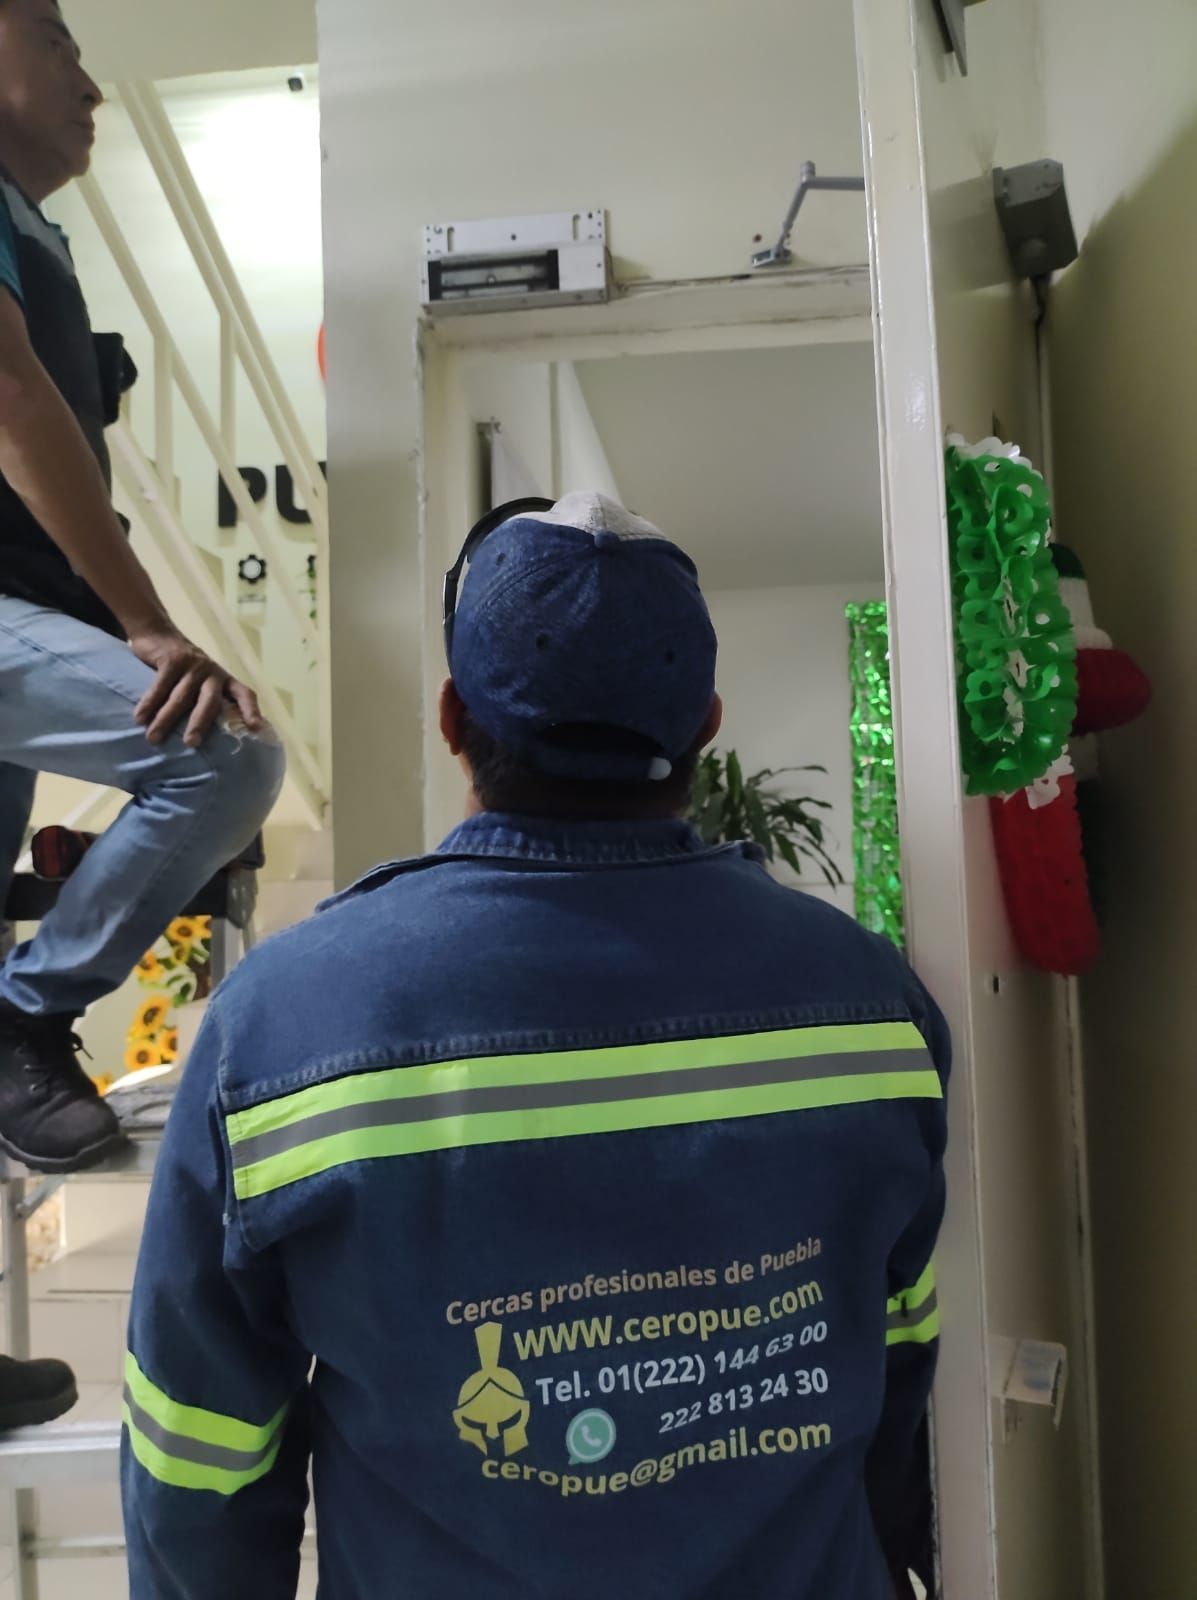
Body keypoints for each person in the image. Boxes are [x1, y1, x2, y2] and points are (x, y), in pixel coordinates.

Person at [122, 492, 947, 1600]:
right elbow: (899, 1363)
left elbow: (199, 1449)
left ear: (454, 719)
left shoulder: (280, 1025)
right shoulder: (872, 1003)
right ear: (704, 727)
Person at [0, 0, 285, 1180]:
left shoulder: (34, 233)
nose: (90, 77)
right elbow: (12, 407)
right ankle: (22, 1016)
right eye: (55, 36)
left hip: (25, 607)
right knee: (220, 754)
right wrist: (150, 624)